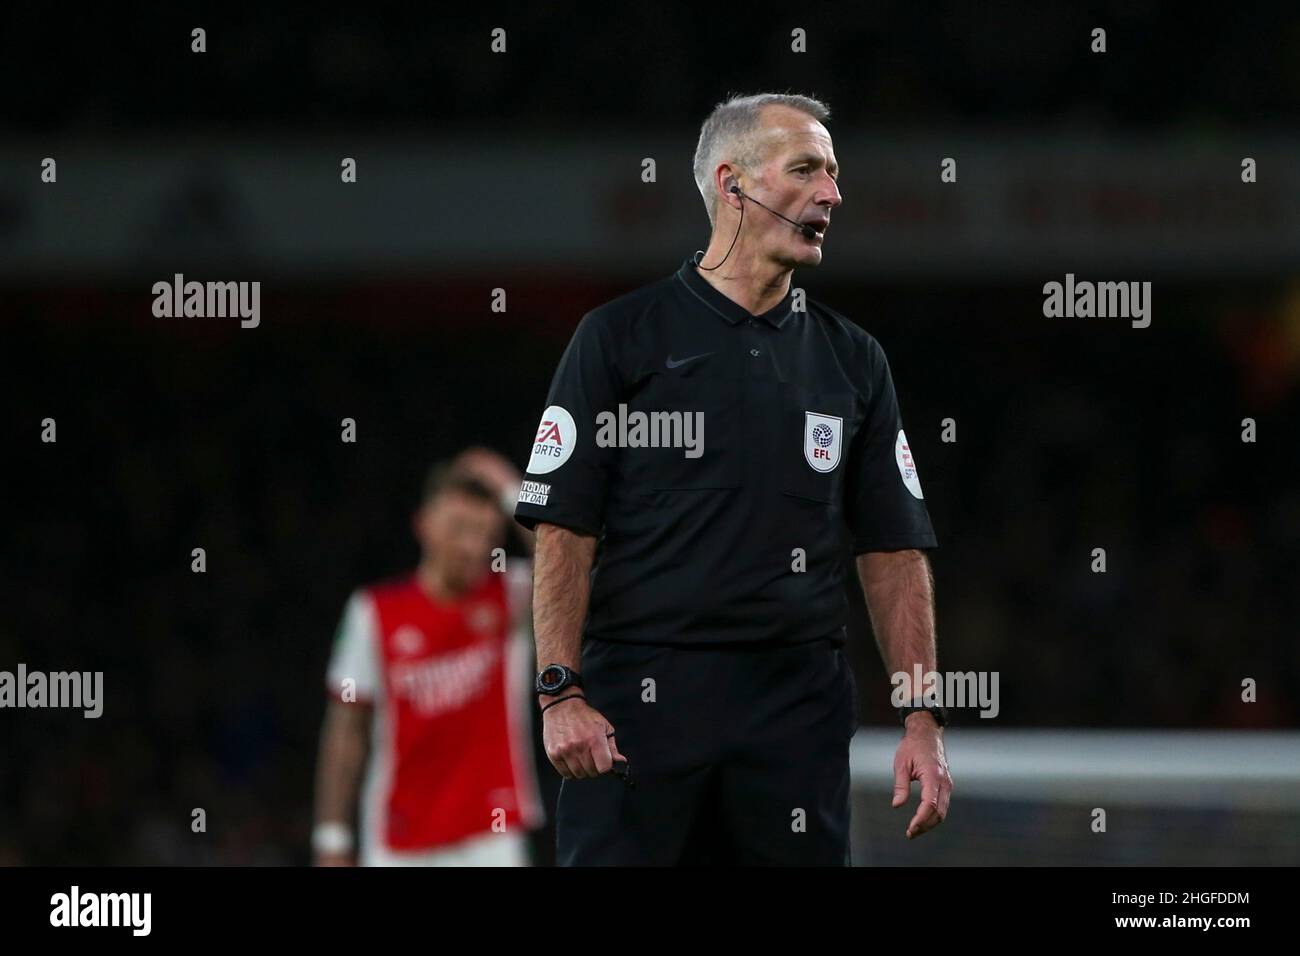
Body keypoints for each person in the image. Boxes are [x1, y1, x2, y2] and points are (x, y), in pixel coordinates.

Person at [513, 92, 952, 865]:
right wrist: (560, 693)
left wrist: (922, 718)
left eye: (835, 173)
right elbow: (564, 527)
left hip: (796, 711)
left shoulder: (853, 360)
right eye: (807, 170)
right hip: (639, 703)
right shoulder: (619, 339)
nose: (832, 194)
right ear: (734, 183)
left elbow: (893, 549)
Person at [313, 449, 543, 865]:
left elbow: (566, 566)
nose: (471, 546)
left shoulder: (511, 596)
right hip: (399, 840)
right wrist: (332, 837)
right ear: (424, 525)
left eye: (482, 532)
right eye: (459, 529)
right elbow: (346, 731)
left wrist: (513, 492)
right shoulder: (374, 613)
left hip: (490, 836)